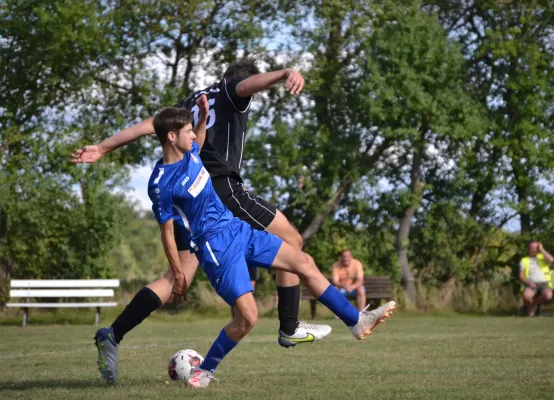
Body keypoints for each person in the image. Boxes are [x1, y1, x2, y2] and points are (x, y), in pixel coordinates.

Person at [71, 59, 330, 362]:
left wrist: (102, 148)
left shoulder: (191, 102)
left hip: (187, 201)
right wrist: (285, 73)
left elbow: (149, 125)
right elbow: (246, 85)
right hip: (215, 193)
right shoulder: (232, 90)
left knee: (174, 278)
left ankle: (112, 334)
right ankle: (289, 326)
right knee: (292, 241)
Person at [138, 106, 396, 388]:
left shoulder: (191, 152)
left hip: (238, 229)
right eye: (186, 130)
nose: (193, 135)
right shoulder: (162, 184)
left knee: (304, 262)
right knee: (248, 318)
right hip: (215, 248)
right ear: (172, 136)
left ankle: (355, 321)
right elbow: (167, 234)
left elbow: (198, 139)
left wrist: (201, 117)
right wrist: (178, 274)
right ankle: (203, 372)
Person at [518, 240, 554, 317]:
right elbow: (521, 277)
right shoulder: (524, 260)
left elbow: (551, 260)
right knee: (526, 296)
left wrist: (541, 249)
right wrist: (529, 283)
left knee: (548, 296)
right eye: (532, 247)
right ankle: (530, 309)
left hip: (544, 282)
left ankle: (529, 307)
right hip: (531, 283)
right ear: (528, 249)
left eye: (536, 247)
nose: (534, 249)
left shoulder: (542, 257)